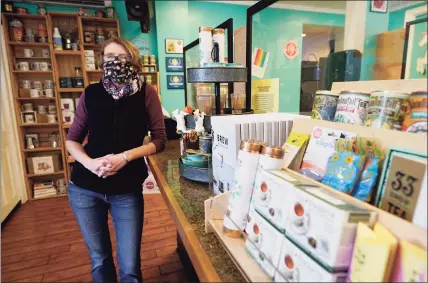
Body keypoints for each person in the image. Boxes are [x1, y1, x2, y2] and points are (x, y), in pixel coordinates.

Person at [66, 37, 166, 283]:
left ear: (133, 61)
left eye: (122, 57)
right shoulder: (91, 93)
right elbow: (72, 140)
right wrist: (90, 163)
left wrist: (125, 157)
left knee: (130, 267)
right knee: (99, 261)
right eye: (110, 57)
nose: (116, 63)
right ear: (102, 61)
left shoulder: (146, 92)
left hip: (126, 189)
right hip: (84, 189)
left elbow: (160, 139)